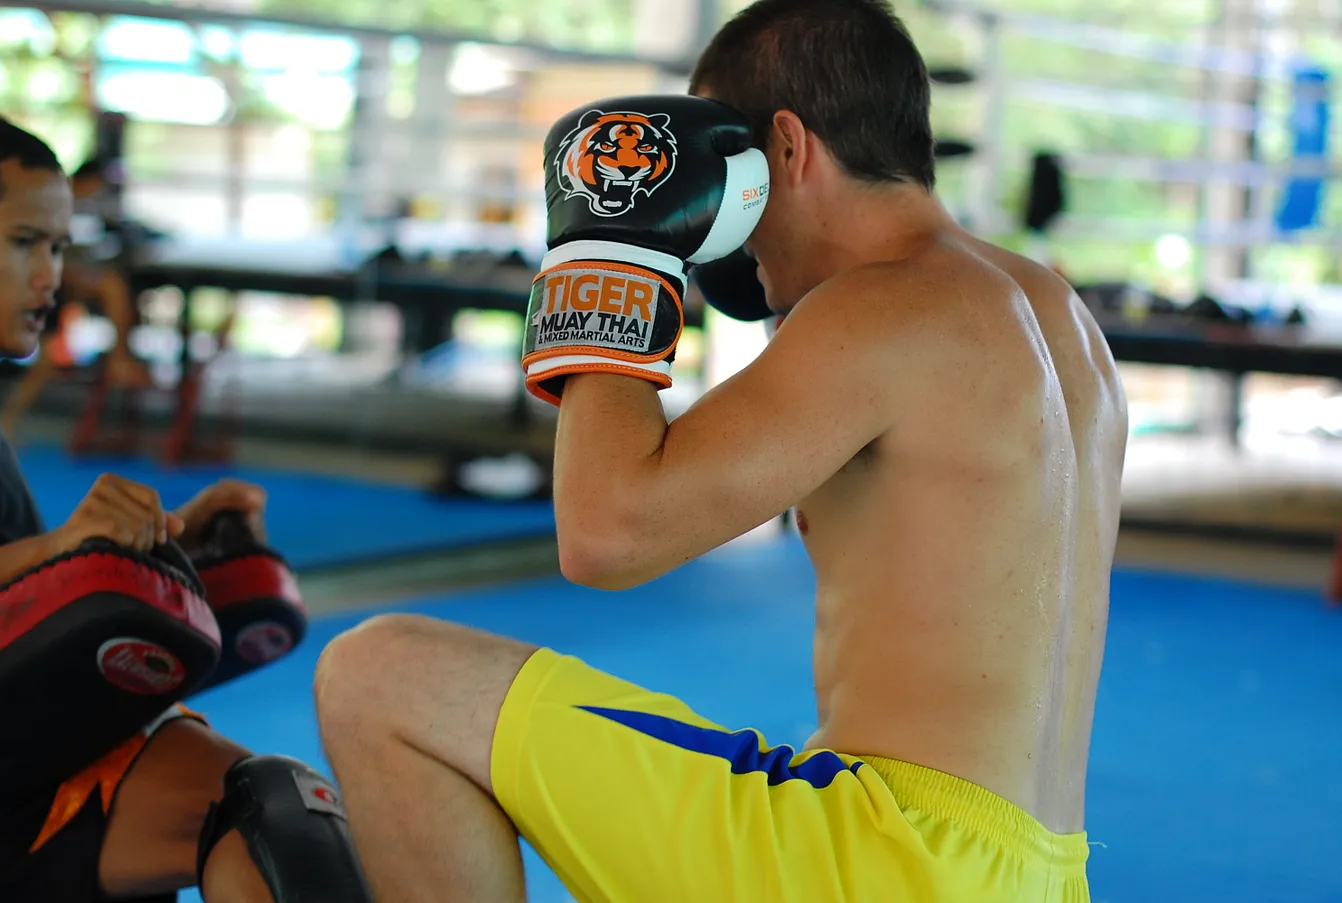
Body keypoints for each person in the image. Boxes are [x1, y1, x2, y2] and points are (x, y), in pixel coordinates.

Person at [312, 1, 1126, 900]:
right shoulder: (1057, 312)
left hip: (880, 861)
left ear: (787, 149)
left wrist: (612, 248)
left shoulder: (885, 306)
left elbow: (606, 533)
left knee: (377, 672)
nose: (720, 230)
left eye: (726, 176)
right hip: (1041, 871)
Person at [0, 113, 373, 903]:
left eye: (59, 247)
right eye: (26, 241)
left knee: (279, 819)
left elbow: (20, 617)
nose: (50, 275)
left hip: (19, 761)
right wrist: (68, 549)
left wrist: (169, 551)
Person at [0, 157, 149, 442]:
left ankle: (7, 419)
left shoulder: (91, 208)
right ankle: (119, 358)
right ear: (89, 180)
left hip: (65, 284)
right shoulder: (58, 203)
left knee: (44, 362)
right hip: (57, 285)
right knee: (112, 286)